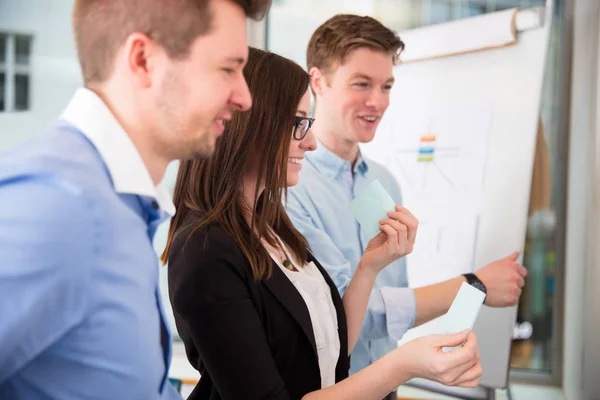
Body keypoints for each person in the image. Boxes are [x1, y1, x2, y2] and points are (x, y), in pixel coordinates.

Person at [162, 47, 482, 400]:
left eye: (308, 124)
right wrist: (404, 364)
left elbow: (331, 349)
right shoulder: (205, 252)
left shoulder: (271, 224)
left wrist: (368, 268)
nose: (310, 143)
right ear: (249, 125)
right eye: (298, 124)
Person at [0, 0, 271, 399]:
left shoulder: (118, 203)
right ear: (143, 60)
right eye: (228, 69)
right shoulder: (56, 205)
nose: (244, 97)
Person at [284, 13, 529, 385]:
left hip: (386, 385)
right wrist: (473, 287)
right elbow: (342, 318)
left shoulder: (384, 183)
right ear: (318, 81)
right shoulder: (290, 188)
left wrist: (469, 298)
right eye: (362, 84)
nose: (377, 102)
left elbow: (392, 301)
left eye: (386, 87)